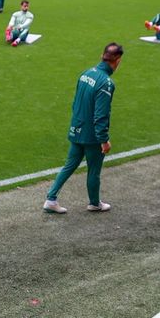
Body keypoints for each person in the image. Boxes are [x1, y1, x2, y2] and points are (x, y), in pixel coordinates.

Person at [43, 43, 121, 214]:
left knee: (69, 166)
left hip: (76, 128)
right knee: (94, 170)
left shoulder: (86, 73)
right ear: (117, 60)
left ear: (102, 55)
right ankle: (94, 203)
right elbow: (101, 115)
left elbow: (75, 103)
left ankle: (51, 199)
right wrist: (104, 139)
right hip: (92, 135)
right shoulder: (106, 83)